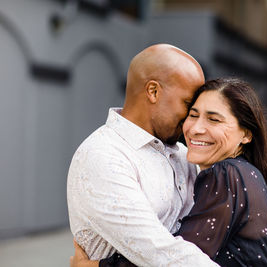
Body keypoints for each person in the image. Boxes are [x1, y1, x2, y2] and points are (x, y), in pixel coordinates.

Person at [71, 78, 267, 267]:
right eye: (192, 115)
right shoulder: (245, 173)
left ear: (246, 135)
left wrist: (96, 266)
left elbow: (179, 257)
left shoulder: (227, 174)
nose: (196, 128)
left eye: (214, 119)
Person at [67, 44, 219, 266]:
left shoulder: (186, 155)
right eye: (188, 105)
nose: (192, 120)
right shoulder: (103, 155)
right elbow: (158, 252)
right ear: (153, 91)